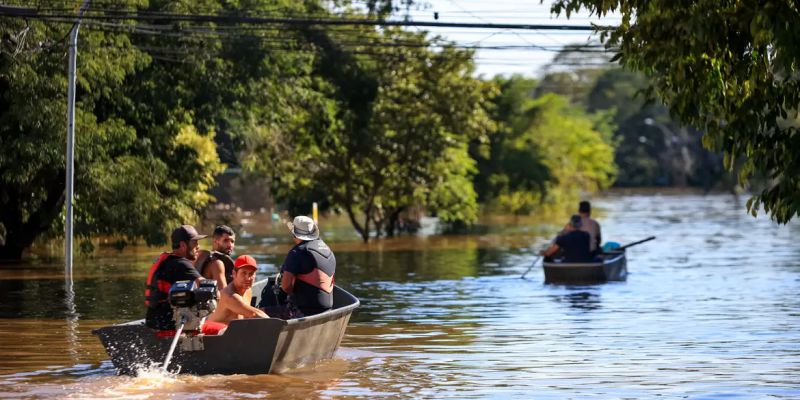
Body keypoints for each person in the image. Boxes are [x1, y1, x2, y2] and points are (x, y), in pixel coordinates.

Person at [144, 224, 226, 335]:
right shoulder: (181, 264)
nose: (198, 246)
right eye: (195, 243)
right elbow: (209, 286)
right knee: (224, 330)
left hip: (154, 325)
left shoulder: (166, 261)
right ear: (183, 245)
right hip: (171, 329)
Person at [278, 216, 336, 315]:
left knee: (258, 314)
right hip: (328, 308)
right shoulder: (326, 248)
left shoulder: (296, 252)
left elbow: (285, 286)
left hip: (305, 311)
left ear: (294, 234)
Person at [207, 255, 268, 326]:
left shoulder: (248, 290)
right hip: (215, 335)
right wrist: (277, 326)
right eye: (243, 273)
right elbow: (254, 314)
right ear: (234, 274)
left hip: (235, 332)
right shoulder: (230, 296)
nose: (248, 278)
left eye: (251, 274)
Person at [194, 225, 236, 289]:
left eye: (232, 241)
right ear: (215, 241)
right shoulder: (216, 263)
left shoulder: (204, 258)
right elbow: (223, 294)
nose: (230, 245)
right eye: (226, 240)